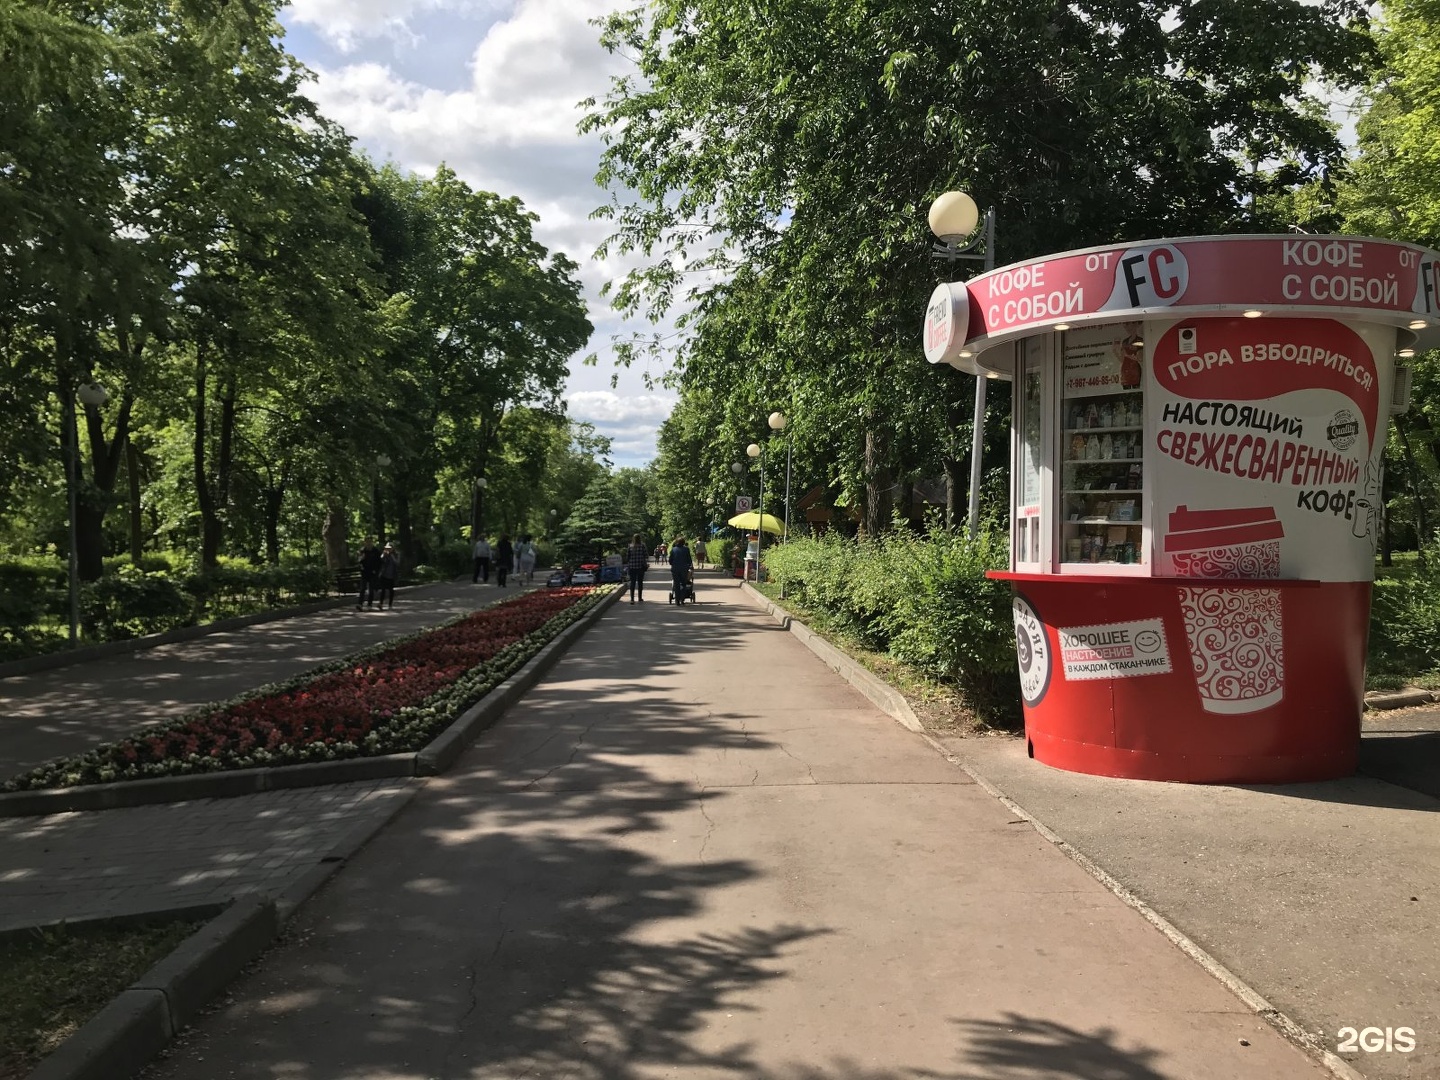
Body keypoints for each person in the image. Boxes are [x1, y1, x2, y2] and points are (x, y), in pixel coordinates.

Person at [356, 537, 382, 610]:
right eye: (367, 542)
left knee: (371, 589)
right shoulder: (362, 551)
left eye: (370, 542)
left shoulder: (376, 551)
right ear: (365, 543)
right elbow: (358, 561)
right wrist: (361, 559)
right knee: (362, 589)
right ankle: (360, 604)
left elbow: (379, 562)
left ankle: (369, 604)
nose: (369, 544)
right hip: (364, 572)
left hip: (372, 573)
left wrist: (377, 571)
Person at [625, 532, 649, 603]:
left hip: (632, 567)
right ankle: (640, 598)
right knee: (640, 583)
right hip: (640, 567)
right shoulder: (642, 546)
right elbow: (646, 555)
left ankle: (632, 599)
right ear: (639, 539)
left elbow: (627, 557)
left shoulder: (630, 546)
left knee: (632, 583)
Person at [377, 543, 400, 609]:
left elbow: (397, 563)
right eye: (387, 548)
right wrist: (384, 555)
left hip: (392, 575)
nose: (388, 550)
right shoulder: (384, 554)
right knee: (383, 590)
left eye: (390, 548)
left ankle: (390, 604)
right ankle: (380, 603)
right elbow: (380, 560)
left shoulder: (396, 555)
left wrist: (392, 557)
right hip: (384, 575)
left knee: (391, 590)